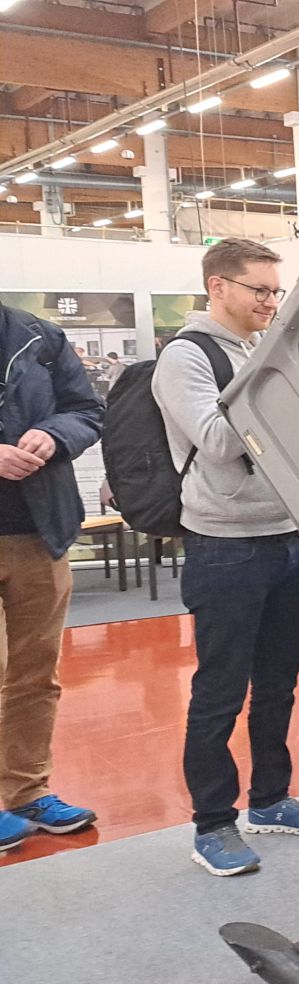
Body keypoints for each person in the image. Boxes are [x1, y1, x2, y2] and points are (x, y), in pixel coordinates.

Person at [152, 238, 299, 877]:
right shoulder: (187, 356)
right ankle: (213, 823)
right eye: (259, 290)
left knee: (278, 684)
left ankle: (270, 799)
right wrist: (285, 387)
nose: (270, 301)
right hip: (225, 546)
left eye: (275, 291)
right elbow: (215, 441)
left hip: (289, 535)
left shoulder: (265, 352)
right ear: (218, 286)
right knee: (220, 691)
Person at [0, 303, 104, 857]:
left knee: (35, 674)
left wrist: (52, 434)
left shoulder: (39, 336)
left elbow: (86, 409)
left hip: (40, 533)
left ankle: (27, 793)